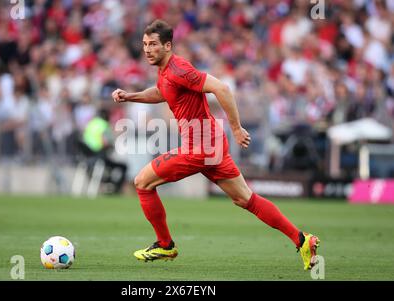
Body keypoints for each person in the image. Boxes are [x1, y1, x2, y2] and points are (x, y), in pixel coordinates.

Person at [112, 20, 320, 270]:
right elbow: (161, 92)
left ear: (168, 45)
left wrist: (236, 127)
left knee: (142, 182)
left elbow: (221, 88)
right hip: (211, 144)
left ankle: (165, 245)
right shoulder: (165, 72)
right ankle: (302, 240)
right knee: (246, 199)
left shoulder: (179, 69)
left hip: (199, 147)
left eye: (153, 44)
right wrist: (130, 96)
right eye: (145, 44)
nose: (147, 49)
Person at [78, 109, 128, 194]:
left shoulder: (91, 123)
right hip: (98, 156)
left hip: (86, 157)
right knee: (123, 167)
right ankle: (114, 189)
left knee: (107, 169)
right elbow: (104, 142)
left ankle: (108, 185)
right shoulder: (104, 125)